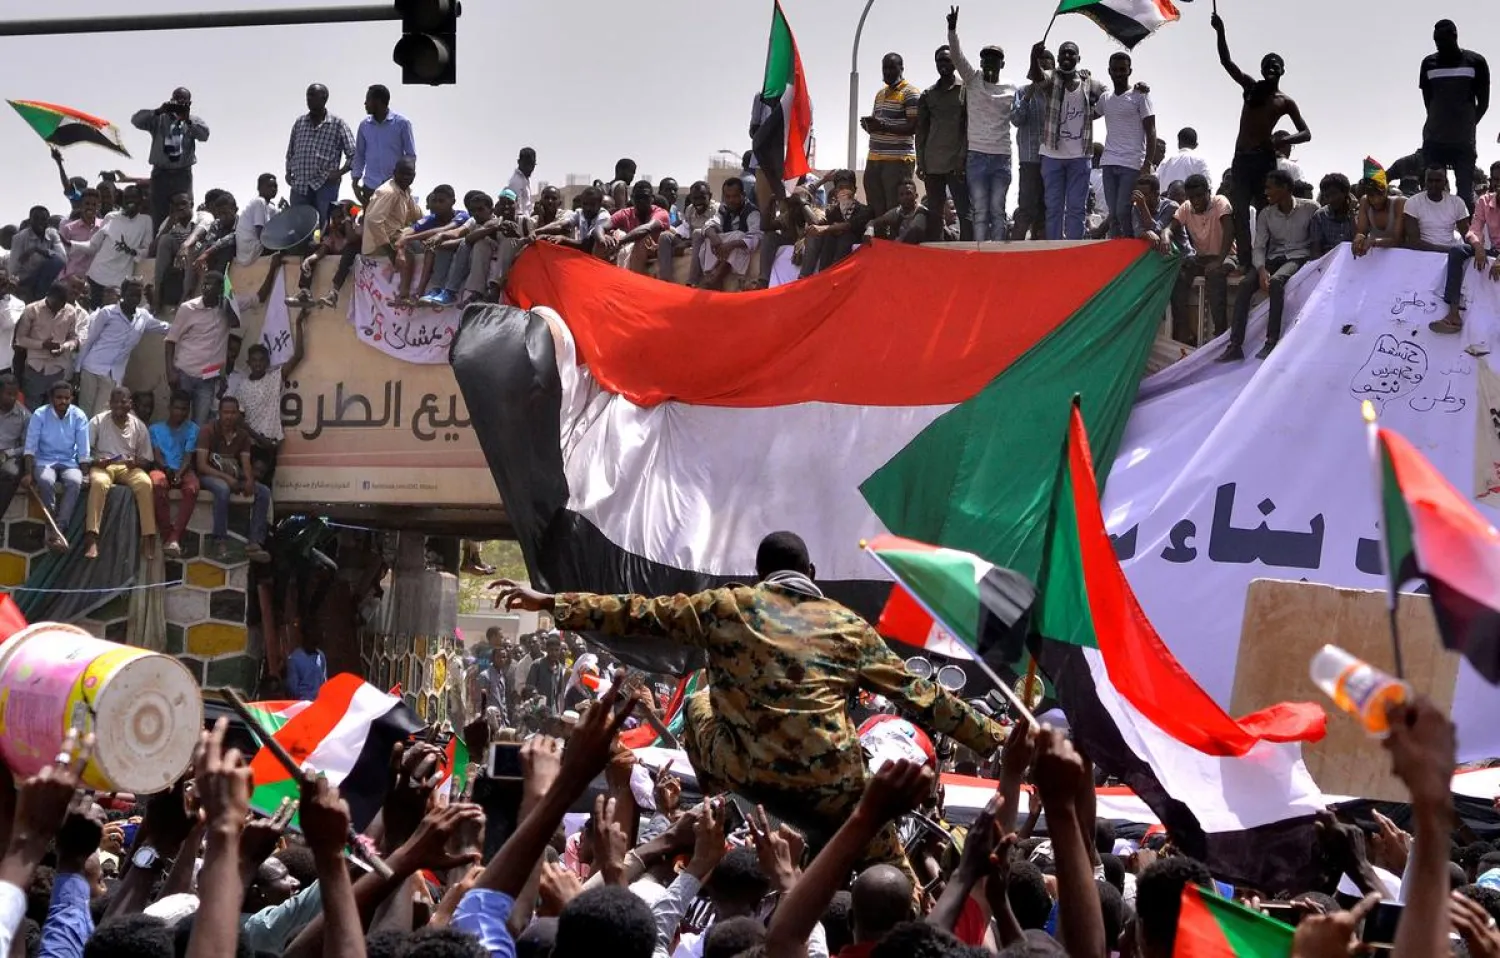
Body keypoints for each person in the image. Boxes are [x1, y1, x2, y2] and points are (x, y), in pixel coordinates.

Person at [490, 530, 1005, 889]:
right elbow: (921, 695)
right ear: (812, 573)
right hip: (833, 789)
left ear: (758, 575)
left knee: (696, 703)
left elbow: (635, 611)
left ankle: (724, 800)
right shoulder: (848, 626)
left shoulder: (724, 606)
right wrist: (996, 739)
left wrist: (550, 602)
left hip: (750, 775)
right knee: (899, 886)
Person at [1210, 11, 1311, 287]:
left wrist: (1284, 140)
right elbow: (1226, 62)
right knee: (1241, 211)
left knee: (1267, 211)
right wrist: (1220, 31)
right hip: (1242, 159)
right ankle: (1245, 260)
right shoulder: (1252, 88)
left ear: (1282, 70)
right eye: (1267, 64)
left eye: (1276, 64)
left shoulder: (1284, 101)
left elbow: (1306, 133)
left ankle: (1268, 258)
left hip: (1265, 160)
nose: (1271, 67)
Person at [1221, 169, 1316, 362]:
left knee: (1277, 281)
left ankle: (1271, 341)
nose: (1266, 192)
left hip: (1298, 257)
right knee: (1246, 284)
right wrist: (1261, 269)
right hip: (1274, 257)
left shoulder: (1310, 209)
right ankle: (1235, 345)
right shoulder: (1266, 214)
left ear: (1286, 188)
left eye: (1270, 188)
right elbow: (1259, 247)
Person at [945, 6, 1012, 244]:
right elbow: (956, 56)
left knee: (997, 209)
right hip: (977, 157)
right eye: (985, 59)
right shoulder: (972, 81)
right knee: (980, 210)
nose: (989, 63)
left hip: (1001, 158)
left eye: (995, 59)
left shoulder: (1011, 90)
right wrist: (952, 31)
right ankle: (982, 253)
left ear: (1002, 64)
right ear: (981, 63)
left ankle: (998, 256)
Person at [1028, 40, 1106, 240]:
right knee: (1053, 207)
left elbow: (1110, 96)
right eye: (1063, 53)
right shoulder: (1051, 79)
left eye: (1072, 54)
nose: (1067, 57)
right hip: (1052, 154)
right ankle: (1055, 248)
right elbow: (1036, 76)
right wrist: (1033, 57)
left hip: (1080, 155)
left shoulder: (1091, 83)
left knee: (1076, 208)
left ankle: (1073, 249)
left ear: (1078, 59)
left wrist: (1138, 89)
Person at [73, 277, 169, 416]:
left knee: (100, 416)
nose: (134, 298)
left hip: (114, 376)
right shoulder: (107, 313)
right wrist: (77, 369)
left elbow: (164, 327)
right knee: (84, 413)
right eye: (131, 294)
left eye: (138, 295)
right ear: (123, 294)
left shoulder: (143, 317)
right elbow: (89, 340)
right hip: (92, 369)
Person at [1421, 20, 1489, 212]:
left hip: (1463, 143)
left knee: (1465, 196)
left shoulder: (1476, 62)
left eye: (1443, 40)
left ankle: (1467, 238)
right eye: (1436, 40)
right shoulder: (1428, 64)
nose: (1439, 44)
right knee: (1433, 193)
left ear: (1454, 37)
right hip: (1435, 140)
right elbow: (1429, 101)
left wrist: (1466, 125)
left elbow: (1483, 103)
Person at [195, 395, 270, 562]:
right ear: (219, 413)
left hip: (233, 474)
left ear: (238, 414)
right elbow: (201, 465)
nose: (229, 416)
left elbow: (245, 461)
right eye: (225, 412)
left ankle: (255, 542)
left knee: (263, 491)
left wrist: (250, 479)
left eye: (233, 412)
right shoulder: (207, 431)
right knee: (223, 489)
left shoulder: (242, 435)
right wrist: (226, 478)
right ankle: (219, 540)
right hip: (209, 475)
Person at [84, 386, 156, 560]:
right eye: (114, 402)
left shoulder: (138, 425)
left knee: (145, 483)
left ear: (130, 404)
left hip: (127, 466)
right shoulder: (98, 421)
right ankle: (92, 538)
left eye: (123, 402)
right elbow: (84, 452)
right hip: (103, 464)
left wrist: (136, 463)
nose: (118, 406)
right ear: (109, 403)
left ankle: (148, 537)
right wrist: (96, 461)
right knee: (99, 483)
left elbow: (147, 459)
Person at [1407, 167, 1477, 334]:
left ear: (1445, 182)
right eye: (1429, 180)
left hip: (1451, 255)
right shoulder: (1413, 203)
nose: (1433, 184)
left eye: (1438, 180)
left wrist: (1475, 248)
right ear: (1424, 182)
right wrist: (1448, 250)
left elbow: (1467, 234)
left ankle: (1453, 316)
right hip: (1424, 256)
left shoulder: (1456, 202)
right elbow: (1415, 242)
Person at [22, 379, 88, 550]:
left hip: (69, 462)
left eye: (67, 398)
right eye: (59, 398)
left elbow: (83, 451)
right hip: (45, 460)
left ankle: (59, 528)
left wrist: (85, 473)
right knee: (45, 481)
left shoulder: (79, 415)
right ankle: (52, 528)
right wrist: (29, 473)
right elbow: (30, 447)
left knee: (75, 481)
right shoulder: (39, 414)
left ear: (72, 398)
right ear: (51, 398)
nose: (63, 402)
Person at [130, 88, 210, 230]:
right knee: (159, 213)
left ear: (189, 103)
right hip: (161, 174)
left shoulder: (193, 121)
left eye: (183, 101)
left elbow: (204, 136)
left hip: (182, 175)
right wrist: (158, 111)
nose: (179, 103)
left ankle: (183, 244)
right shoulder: (159, 119)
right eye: (176, 99)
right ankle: (158, 244)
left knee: (184, 213)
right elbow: (136, 121)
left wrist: (188, 120)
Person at [166, 272, 238, 424]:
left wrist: (227, 303)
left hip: (208, 378)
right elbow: (170, 340)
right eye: (205, 283)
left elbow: (250, 305)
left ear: (220, 289)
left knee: (200, 423)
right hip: (184, 374)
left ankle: (193, 449)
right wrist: (170, 372)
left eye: (211, 285)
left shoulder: (226, 310)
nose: (206, 287)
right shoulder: (188, 308)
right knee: (178, 420)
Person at [1098, 53, 1156, 239]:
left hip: (1131, 163)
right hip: (1109, 162)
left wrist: (1147, 162)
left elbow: (1151, 130)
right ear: (1109, 71)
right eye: (1115, 70)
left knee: (1124, 209)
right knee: (1113, 213)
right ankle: (1116, 250)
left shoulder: (1140, 96)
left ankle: (1130, 245)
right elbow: (1088, 113)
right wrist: (1085, 81)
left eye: (1123, 69)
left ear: (1129, 71)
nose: (1119, 73)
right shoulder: (1105, 98)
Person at [1171, 174, 1235, 341]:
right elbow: (1171, 228)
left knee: (1215, 274)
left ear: (1209, 192)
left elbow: (1229, 231)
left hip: (1227, 255)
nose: (1196, 200)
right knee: (1179, 273)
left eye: (1200, 195)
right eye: (1192, 197)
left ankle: (1220, 333)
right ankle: (1183, 331)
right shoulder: (1186, 207)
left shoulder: (1220, 202)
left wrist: (1219, 260)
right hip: (1202, 258)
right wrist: (1164, 235)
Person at [917, 42, 970, 243]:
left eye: (947, 60)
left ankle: (967, 253)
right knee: (935, 214)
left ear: (955, 63)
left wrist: (962, 156)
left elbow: (968, 127)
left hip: (956, 163)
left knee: (964, 211)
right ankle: (936, 255)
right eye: (939, 61)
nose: (943, 65)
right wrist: (920, 162)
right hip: (932, 163)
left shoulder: (965, 89)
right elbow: (921, 130)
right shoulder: (928, 94)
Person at [285, 83, 355, 226]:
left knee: (324, 224)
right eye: (307, 95)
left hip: (325, 185)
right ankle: (302, 249)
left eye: (312, 95)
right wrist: (288, 171)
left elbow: (354, 155)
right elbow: (291, 152)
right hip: (300, 185)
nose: (308, 99)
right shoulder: (300, 123)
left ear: (324, 98)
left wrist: (340, 172)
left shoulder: (337, 124)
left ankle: (321, 248)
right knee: (299, 226)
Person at [861, 54, 921, 218]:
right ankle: (879, 241)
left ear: (901, 68)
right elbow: (881, 124)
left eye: (891, 68)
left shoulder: (911, 93)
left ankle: (894, 242)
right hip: (874, 159)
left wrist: (882, 126)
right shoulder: (880, 94)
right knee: (875, 207)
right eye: (884, 68)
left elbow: (913, 127)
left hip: (897, 161)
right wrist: (870, 127)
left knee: (895, 208)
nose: (887, 72)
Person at [393, 184, 469, 304]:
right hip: (436, 249)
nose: (437, 205)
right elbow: (405, 234)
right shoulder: (430, 218)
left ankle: (420, 292)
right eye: (435, 201)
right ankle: (404, 294)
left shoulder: (462, 215)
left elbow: (444, 229)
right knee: (411, 246)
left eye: (441, 201)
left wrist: (408, 239)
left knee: (430, 246)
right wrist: (401, 250)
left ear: (453, 201)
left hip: (456, 250)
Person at [148, 389, 200, 558]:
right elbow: (156, 454)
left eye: (184, 409)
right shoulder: (155, 429)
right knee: (157, 485)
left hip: (183, 469)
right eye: (177, 408)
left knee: (192, 488)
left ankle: (175, 537)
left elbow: (188, 455)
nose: (180, 412)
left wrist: (179, 473)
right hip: (162, 468)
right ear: (170, 408)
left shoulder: (193, 429)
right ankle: (167, 535)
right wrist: (167, 470)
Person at [14, 281, 84, 406]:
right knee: (32, 409)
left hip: (57, 369)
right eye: (56, 304)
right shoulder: (32, 310)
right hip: (35, 369)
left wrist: (64, 347)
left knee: (53, 409)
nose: (59, 308)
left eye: (62, 304)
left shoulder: (70, 311)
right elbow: (20, 339)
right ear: (48, 296)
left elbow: (73, 338)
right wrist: (42, 345)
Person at [1010, 47, 1055, 240]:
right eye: (1040, 60)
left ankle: (1041, 249)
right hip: (1030, 160)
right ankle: (1014, 251)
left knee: (1047, 209)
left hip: (1053, 160)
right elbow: (1016, 119)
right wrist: (1028, 95)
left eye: (1048, 61)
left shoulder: (1057, 93)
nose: (1044, 63)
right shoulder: (1021, 91)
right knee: (1026, 207)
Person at [83, 187, 152, 309]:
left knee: (113, 317)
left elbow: (146, 250)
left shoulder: (145, 220)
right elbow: (94, 244)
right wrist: (71, 244)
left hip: (118, 281)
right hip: (96, 275)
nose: (130, 200)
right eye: (127, 198)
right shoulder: (111, 216)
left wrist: (131, 251)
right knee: (92, 316)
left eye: (133, 197)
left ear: (141, 200)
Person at [352, 84, 416, 204]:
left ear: (378, 101)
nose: (365, 104)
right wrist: (355, 181)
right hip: (370, 187)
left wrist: (404, 181)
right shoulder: (364, 125)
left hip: (394, 187)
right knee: (370, 221)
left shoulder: (402, 123)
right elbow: (359, 155)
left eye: (368, 100)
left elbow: (410, 156)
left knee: (394, 222)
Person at [361, 157, 423, 279]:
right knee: (416, 249)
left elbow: (418, 216)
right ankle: (405, 295)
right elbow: (373, 221)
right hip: (380, 246)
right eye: (402, 173)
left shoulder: (404, 191)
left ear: (414, 175)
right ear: (394, 173)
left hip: (395, 239)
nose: (405, 177)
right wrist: (391, 252)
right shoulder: (389, 192)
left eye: (409, 174)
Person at [699, 178, 762, 291]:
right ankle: (710, 274)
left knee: (739, 236)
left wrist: (731, 245)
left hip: (741, 256)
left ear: (743, 195)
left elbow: (756, 237)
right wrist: (715, 239)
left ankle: (717, 277)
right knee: (709, 236)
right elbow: (709, 225)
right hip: (721, 252)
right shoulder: (724, 209)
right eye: (727, 197)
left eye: (735, 196)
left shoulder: (752, 212)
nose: (731, 200)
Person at [658, 181, 719, 284]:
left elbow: (711, 233)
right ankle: (666, 279)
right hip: (691, 243)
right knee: (665, 236)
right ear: (691, 198)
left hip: (707, 244)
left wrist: (686, 243)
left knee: (698, 233)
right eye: (695, 198)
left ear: (710, 196)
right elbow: (686, 229)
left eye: (702, 198)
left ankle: (692, 281)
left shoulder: (717, 210)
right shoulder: (690, 210)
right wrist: (682, 241)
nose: (698, 202)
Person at [605, 181, 671, 275]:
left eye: (645, 197)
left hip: (655, 252)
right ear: (632, 199)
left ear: (652, 198)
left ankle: (634, 281)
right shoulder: (625, 213)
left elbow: (646, 228)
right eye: (638, 197)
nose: (641, 201)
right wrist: (605, 236)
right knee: (606, 237)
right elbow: (602, 226)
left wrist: (621, 241)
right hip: (632, 252)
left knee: (642, 238)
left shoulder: (661, 213)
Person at [11, 207, 67, 303]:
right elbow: (13, 268)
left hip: (46, 280)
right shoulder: (19, 238)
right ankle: (37, 297)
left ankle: (42, 295)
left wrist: (37, 250)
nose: (39, 222)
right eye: (36, 218)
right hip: (27, 280)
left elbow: (62, 258)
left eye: (43, 219)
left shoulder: (52, 234)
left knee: (56, 261)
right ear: (30, 220)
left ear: (48, 221)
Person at [1353, 172, 1408, 256]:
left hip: (1399, 256)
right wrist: (1359, 238)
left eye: (1380, 194)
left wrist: (1374, 242)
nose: (1376, 200)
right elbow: (1361, 232)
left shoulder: (1399, 203)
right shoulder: (1365, 202)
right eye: (1371, 195)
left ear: (1386, 190)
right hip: (1376, 256)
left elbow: (1398, 240)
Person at [0, 373, 31, 519]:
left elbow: (28, 445)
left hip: (9, 456)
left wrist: (9, 453)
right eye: (8, 394)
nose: (12, 398)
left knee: (10, 473)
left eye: (15, 394)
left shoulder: (25, 415)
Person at [59, 189, 103, 284]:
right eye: (87, 204)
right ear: (81, 205)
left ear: (99, 207)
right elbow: (60, 255)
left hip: (96, 281)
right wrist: (64, 277)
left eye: (94, 205)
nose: (90, 207)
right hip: (71, 279)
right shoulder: (68, 228)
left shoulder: (105, 227)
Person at [234, 174, 278, 266]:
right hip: (251, 249)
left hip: (247, 250)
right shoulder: (259, 202)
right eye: (269, 186)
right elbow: (260, 233)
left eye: (275, 186)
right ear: (259, 188)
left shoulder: (269, 206)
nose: (273, 189)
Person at [1309, 173, 1356, 258]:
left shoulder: (1358, 212)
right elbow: (1316, 249)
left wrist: (1352, 213)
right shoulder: (1320, 216)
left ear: (1345, 192)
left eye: (1334, 193)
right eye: (1327, 196)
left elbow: (1358, 239)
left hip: (1352, 259)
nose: (1331, 199)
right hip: (1328, 261)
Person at [1155, 128, 1213, 195]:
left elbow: (1155, 184)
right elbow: (1207, 188)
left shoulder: (1165, 162)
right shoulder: (1200, 161)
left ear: (1179, 143)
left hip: (1166, 204)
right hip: (1190, 204)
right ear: (1196, 145)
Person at [871, 179, 929, 243]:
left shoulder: (921, 212)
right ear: (898, 198)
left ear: (916, 196)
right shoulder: (897, 211)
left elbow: (911, 234)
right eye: (901, 194)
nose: (905, 197)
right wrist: (870, 229)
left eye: (908, 193)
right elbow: (875, 222)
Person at [524, 635, 568, 714]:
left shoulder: (560, 668)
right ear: (547, 650)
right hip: (537, 710)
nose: (554, 653)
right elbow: (529, 688)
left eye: (556, 650)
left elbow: (560, 692)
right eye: (551, 650)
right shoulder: (537, 665)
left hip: (553, 710)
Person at [285, 630, 328, 701]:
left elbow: (325, 681)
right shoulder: (294, 659)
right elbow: (293, 689)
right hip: (303, 705)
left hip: (320, 703)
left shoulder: (320, 655)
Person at [506, 147, 537, 222]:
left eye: (532, 165)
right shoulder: (516, 181)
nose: (529, 168)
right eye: (526, 164)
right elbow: (516, 209)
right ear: (519, 162)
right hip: (520, 224)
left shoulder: (525, 179)